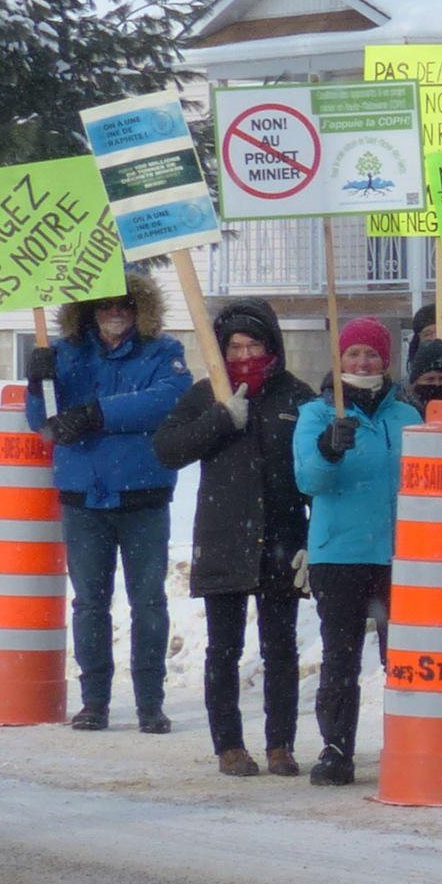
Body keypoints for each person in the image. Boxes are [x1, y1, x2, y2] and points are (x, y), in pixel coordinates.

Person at [150, 299, 314, 777]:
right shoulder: (208, 394)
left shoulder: (296, 396)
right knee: (224, 648)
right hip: (224, 537)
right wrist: (222, 418)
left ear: (272, 347)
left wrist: (313, 537)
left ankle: (280, 744)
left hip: (283, 537)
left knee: (280, 648)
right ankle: (229, 745)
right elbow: (167, 449)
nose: (244, 354)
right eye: (235, 347)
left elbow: (316, 471)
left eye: (253, 345)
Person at [27, 284, 192, 733]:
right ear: (89, 311)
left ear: (141, 310)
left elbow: (167, 401)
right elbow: (44, 420)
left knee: (149, 602)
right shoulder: (65, 353)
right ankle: (94, 700)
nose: (115, 313)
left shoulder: (163, 351)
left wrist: (97, 414)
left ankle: (150, 702)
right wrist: (37, 382)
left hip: (144, 495)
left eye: (124, 305)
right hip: (83, 495)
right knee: (90, 604)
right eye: (105, 305)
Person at [292, 317, 425, 787]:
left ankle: (411, 742)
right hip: (339, 554)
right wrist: (329, 451)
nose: (362, 361)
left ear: (385, 360)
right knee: (341, 656)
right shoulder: (316, 415)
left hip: (398, 554)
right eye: (353, 354)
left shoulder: (407, 417)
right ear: (339, 360)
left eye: (371, 354)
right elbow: (309, 482)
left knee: (405, 658)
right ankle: (336, 749)